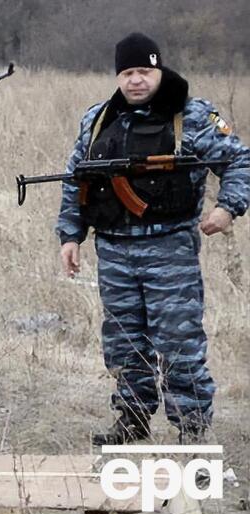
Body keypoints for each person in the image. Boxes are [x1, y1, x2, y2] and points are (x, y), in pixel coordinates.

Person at [56, 33, 250, 444]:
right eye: (127, 73)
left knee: (179, 343)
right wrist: (70, 236)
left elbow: (239, 160)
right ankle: (132, 418)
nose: (136, 81)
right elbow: (76, 180)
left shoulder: (193, 117)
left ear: (158, 70)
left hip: (169, 248)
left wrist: (226, 207)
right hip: (113, 250)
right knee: (124, 341)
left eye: (144, 71)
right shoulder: (98, 119)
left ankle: (192, 430)